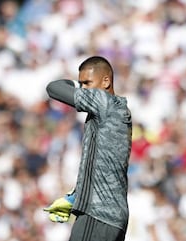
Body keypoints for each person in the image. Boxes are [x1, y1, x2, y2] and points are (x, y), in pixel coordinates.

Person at [44, 56, 132, 241]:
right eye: (81, 83)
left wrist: (75, 84)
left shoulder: (104, 102)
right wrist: (77, 196)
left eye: (87, 83)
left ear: (106, 81)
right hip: (109, 215)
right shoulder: (112, 111)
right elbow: (102, 165)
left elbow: (54, 88)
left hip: (98, 214)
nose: (84, 89)